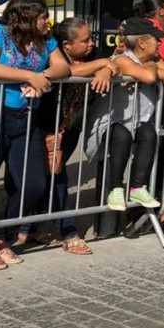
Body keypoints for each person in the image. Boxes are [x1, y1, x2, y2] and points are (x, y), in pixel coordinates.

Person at [0, 0, 71, 270]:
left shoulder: (44, 40)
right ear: (24, 17)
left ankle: (5, 235)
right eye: (41, 16)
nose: (46, 22)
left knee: (34, 182)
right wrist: (28, 76)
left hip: (26, 117)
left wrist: (44, 77)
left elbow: (62, 65)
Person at [24, 17, 115, 255]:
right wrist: (103, 63)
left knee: (52, 176)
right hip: (45, 125)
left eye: (91, 38)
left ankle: (29, 226)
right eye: (84, 40)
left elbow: (118, 64)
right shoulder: (54, 54)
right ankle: (68, 232)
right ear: (66, 45)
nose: (90, 44)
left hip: (71, 127)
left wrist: (106, 68)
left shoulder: (95, 54)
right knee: (56, 177)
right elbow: (68, 71)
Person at [104, 17, 164, 214]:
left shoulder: (154, 59)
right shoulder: (123, 59)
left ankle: (137, 187)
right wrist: (150, 65)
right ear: (142, 43)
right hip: (117, 120)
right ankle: (115, 187)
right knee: (122, 136)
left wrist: (148, 66)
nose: (160, 43)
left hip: (141, 120)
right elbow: (151, 77)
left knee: (149, 134)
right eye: (156, 40)